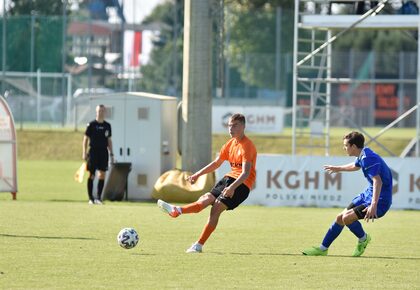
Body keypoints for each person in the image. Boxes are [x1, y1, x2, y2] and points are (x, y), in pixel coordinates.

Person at [157, 113, 257, 253]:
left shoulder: (247, 146)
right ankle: (177, 210)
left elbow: (246, 173)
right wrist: (197, 174)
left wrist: (232, 188)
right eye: (229, 125)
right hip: (229, 179)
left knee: (215, 209)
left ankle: (198, 245)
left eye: (235, 125)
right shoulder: (229, 144)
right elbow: (216, 163)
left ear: (243, 127)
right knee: (204, 200)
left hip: (242, 185)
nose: (230, 128)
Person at [302, 131, 392, 257]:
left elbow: (378, 181)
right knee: (340, 218)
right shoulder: (363, 154)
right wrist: (338, 168)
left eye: (346, 146)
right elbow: (356, 165)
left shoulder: (368, 158)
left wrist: (374, 205)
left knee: (346, 218)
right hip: (368, 194)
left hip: (380, 200)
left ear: (354, 146)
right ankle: (322, 249)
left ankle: (363, 239)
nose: (344, 148)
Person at [82, 104, 114, 205]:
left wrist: (112, 153)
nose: (101, 113)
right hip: (93, 152)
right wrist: (84, 152)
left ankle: (99, 198)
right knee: (92, 175)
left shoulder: (107, 126)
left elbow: (109, 140)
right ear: (96, 112)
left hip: (103, 152)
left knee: (102, 174)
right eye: (99, 111)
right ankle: (91, 198)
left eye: (103, 111)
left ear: (105, 112)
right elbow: (85, 139)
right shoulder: (91, 125)